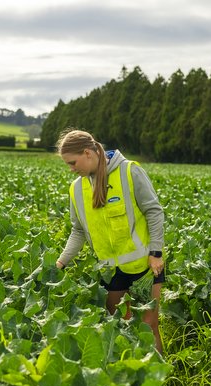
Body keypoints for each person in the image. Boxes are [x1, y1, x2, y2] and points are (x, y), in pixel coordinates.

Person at [54, 129, 165, 353]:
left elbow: (154, 212)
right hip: (111, 272)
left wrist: (156, 253)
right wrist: (60, 263)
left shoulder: (129, 171)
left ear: (88, 153)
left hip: (144, 267)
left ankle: (159, 381)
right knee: (121, 328)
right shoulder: (77, 189)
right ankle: (132, 380)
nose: (71, 169)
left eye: (73, 163)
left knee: (149, 327)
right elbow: (78, 231)